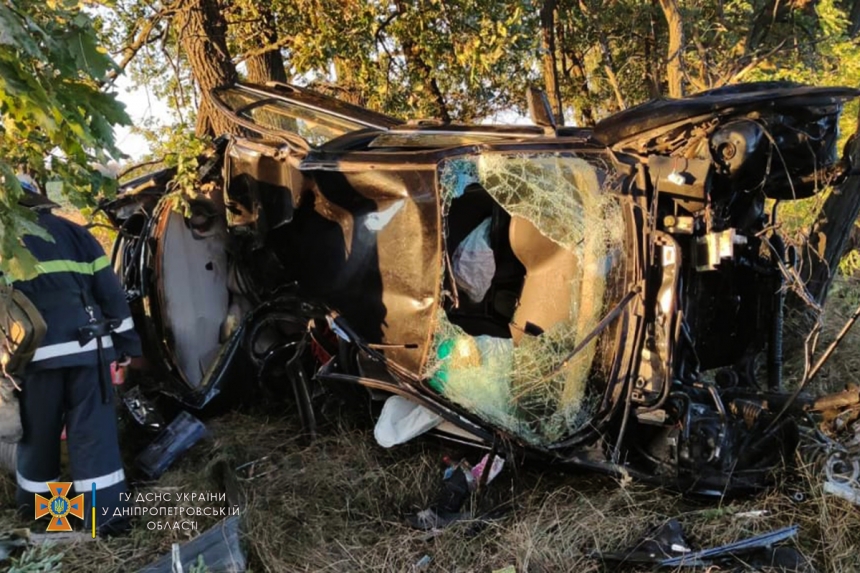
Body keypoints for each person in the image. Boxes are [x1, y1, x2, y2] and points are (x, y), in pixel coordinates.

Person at [10, 176, 141, 535]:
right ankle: (107, 523)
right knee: (94, 437)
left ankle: (52, 522)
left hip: (32, 360)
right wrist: (126, 346)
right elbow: (112, 295)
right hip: (88, 351)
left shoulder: (5, 240)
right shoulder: (75, 233)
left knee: (39, 441)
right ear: (41, 198)